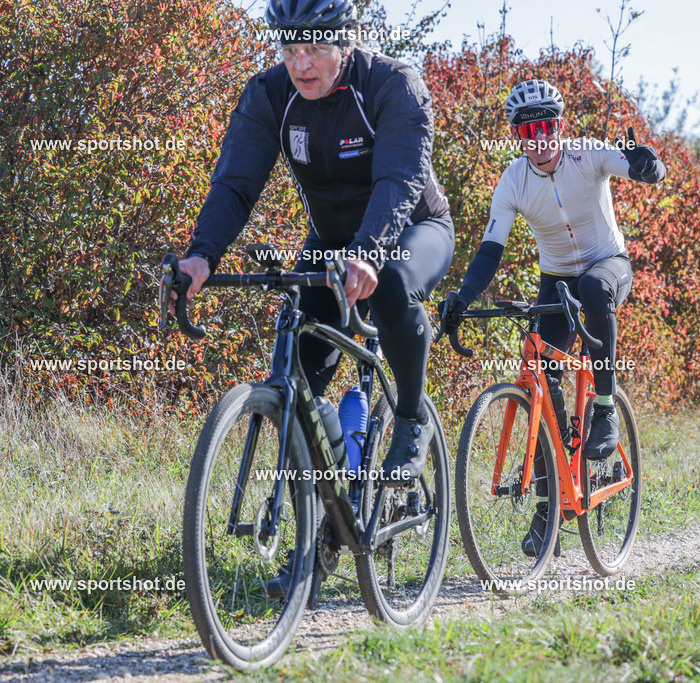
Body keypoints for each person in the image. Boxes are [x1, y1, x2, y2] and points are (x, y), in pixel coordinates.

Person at [170, 0, 454, 485]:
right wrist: (202, 254)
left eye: (316, 48)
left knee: (391, 284)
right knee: (299, 373)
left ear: (347, 43)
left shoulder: (391, 85)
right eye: (289, 48)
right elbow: (235, 183)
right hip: (330, 243)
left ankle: (411, 419)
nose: (300, 63)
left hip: (412, 229)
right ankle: (325, 521)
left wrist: (368, 254)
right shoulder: (270, 94)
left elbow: (399, 181)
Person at [440, 79, 666, 556]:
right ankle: (550, 505)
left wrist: (649, 164)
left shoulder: (589, 155)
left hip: (608, 266)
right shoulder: (513, 180)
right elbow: (488, 252)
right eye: (528, 131)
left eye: (547, 127)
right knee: (542, 378)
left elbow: (643, 168)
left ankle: (604, 409)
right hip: (557, 278)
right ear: (519, 136)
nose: (539, 139)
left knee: (593, 287)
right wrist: (461, 296)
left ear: (560, 127)